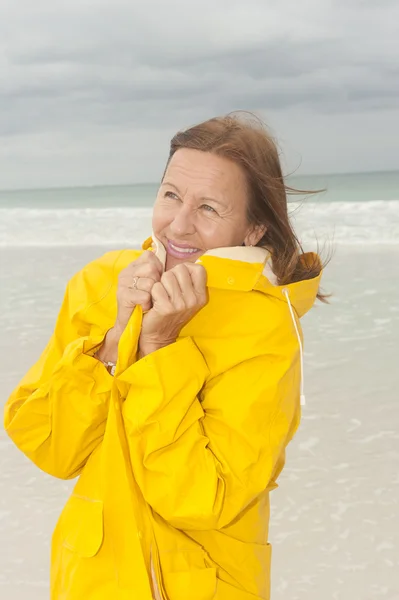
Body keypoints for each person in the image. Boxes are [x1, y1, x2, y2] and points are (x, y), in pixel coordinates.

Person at [4, 113, 324, 600]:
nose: (178, 224)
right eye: (171, 194)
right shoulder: (101, 283)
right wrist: (115, 338)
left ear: (254, 228)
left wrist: (159, 351)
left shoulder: (266, 327)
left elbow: (202, 499)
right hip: (89, 579)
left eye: (209, 208)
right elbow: (52, 449)